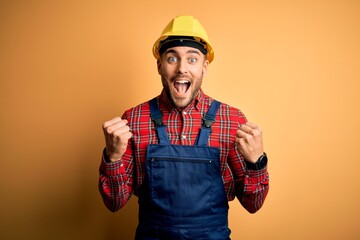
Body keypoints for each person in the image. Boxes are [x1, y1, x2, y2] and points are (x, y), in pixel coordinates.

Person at [99, 15, 269, 240]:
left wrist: (257, 162)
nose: (181, 69)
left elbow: (253, 203)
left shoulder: (231, 120)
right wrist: (112, 157)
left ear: (204, 67)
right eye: (172, 58)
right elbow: (115, 203)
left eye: (192, 59)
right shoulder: (134, 119)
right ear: (159, 65)